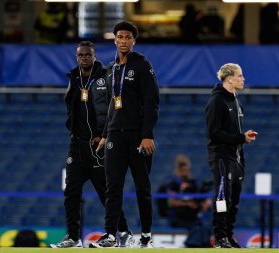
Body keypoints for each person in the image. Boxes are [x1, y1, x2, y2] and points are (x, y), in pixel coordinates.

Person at [50, 41, 134, 248]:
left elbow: (115, 109)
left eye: (88, 55)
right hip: (76, 146)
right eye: (81, 55)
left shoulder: (106, 77)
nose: (84, 58)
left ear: (94, 56)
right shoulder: (74, 78)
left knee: (106, 194)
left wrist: (104, 134)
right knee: (71, 191)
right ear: (77, 57)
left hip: (99, 146)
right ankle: (72, 237)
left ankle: (123, 233)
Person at [90, 21, 160, 248]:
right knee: (112, 187)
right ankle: (111, 235)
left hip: (138, 136)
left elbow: (152, 102)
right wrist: (104, 134)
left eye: (127, 37)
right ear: (115, 39)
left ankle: (146, 236)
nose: (123, 41)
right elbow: (112, 105)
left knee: (142, 187)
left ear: (134, 40)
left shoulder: (142, 65)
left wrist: (147, 135)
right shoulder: (111, 70)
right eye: (119, 37)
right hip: (115, 136)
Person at [205, 63, 257, 248]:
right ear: (229, 78)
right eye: (240, 76)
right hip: (221, 157)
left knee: (233, 201)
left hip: (236, 158)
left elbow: (235, 134)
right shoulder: (217, 101)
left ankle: (228, 235)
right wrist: (240, 138)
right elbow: (214, 133)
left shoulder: (236, 101)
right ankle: (219, 237)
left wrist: (242, 140)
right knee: (222, 199)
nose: (243, 79)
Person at [165, 154, 211, 229]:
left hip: (193, 218)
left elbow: (200, 197)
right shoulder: (173, 183)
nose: (186, 170)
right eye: (183, 168)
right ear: (178, 168)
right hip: (179, 219)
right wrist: (187, 204)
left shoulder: (193, 182)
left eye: (187, 168)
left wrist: (205, 203)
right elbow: (171, 202)